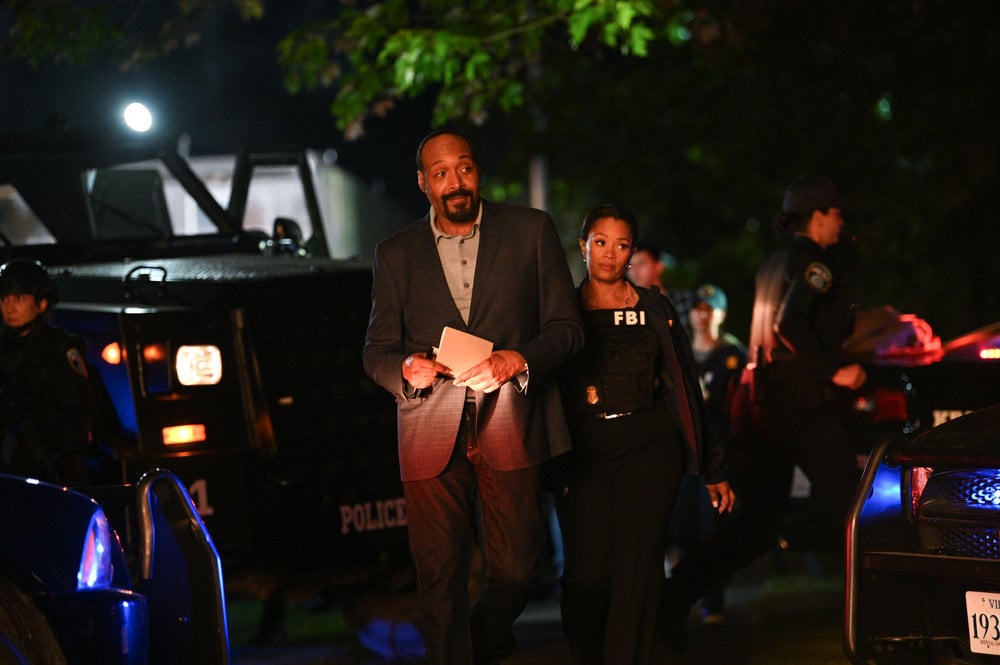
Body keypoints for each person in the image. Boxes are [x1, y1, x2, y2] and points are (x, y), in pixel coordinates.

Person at [362, 130, 584, 665]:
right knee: (438, 574)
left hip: (511, 421)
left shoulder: (530, 230)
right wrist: (404, 368)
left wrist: (517, 359)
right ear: (422, 183)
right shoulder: (394, 254)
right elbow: (375, 351)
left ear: (477, 172)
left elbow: (567, 328)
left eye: (463, 168)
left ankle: (483, 642)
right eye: (440, 173)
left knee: (516, 569)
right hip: (426, 428)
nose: (454, 181)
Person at [660, 174, 866, 652]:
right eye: (837, 213)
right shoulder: (816, 263)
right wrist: (832, 374)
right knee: (854, 511)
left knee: (755, 527)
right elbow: (789, 322)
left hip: (762, 408)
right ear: (817, 216)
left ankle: (670, 599)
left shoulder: (774, 262)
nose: (841, 222)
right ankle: (887, 611)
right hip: (802, 406)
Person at [557, 204, 734, 665]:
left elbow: (685, 385)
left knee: (638, 572)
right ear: (583, 246)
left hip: (651, 448)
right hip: (586, 453)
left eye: (621, 245)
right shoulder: (561, 311)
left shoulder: (655, 308)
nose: (610, 255)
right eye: (600, 243)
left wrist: (713, 465)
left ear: (632, 253)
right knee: (588, 574)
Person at [666, 283, 748, 623]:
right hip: (683, 457)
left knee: (712, 527)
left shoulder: (733, 354)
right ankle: (680, 599)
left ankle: (713, 601)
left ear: (721, 313)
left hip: (720, 453)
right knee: (680, 529)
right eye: (698, 308)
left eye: (709, 309)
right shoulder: (679, 352)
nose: (702, 315)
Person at [0, 258, 95, 486]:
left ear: (41, 303)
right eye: (4, 299)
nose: (9, 307)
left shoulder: (62, 348)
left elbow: (80, 413)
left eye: (19, 299)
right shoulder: (3, 346)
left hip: (53, 466)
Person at [627, 243, 695, 337]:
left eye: (641, 264)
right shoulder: (626, 307)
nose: (634, 271)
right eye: (630, 266)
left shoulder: (684, 300)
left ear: (658, 266)